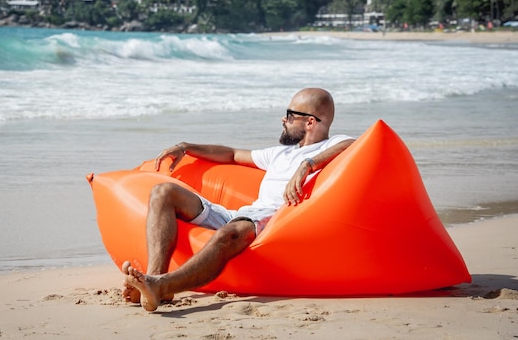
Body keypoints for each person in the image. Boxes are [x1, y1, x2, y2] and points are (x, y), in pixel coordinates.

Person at [122, 87, 355, 311]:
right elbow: (232, 154)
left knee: (229, 233)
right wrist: (186, 146)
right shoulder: (280, 153)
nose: (283, 120)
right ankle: (153, 280)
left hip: (271, 222)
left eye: (289, 115)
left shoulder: (331, 145)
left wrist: (309, 164)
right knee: (163, 192)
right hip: (244, 214)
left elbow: (355, 145)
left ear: (310, 122)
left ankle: (161, 286)